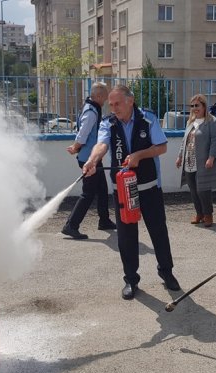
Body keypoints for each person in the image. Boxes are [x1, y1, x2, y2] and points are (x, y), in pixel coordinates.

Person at [82, 85, 180, 300]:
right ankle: (131, 279)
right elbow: (101, 145)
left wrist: (139, 155)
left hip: (149, 187)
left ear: (130, 100)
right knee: (126, 237)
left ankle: (167, 272)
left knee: (158, 231)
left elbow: (161, 147)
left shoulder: (148, 119)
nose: (113, 107)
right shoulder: (109, 122)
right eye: (111, 104)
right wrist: (92, 160)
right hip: (123, 191)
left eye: (117, 103)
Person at [62, 82, 117, 240]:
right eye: (105, 97)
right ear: (98, 96)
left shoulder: (91, 107)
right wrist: (76, 147)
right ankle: (71, 226)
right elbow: (83, 133)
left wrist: (77, 148)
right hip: (88, 158)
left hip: (92, 157)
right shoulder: (91, 112)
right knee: (88, 193)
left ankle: (104, 221)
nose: (106, 100)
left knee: (102, 189)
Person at [176, 94, 216, 227]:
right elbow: (184, 141)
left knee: (203, 189)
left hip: (203, 161)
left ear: (204, 106)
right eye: (192, 106)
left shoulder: (212, 122)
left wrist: (211, 157)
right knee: (193, 189)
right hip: (189, 160)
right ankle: (199, 213)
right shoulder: (190, 122)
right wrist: (180, 156)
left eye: (197, 105)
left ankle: (208, 215)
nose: (194, 108)